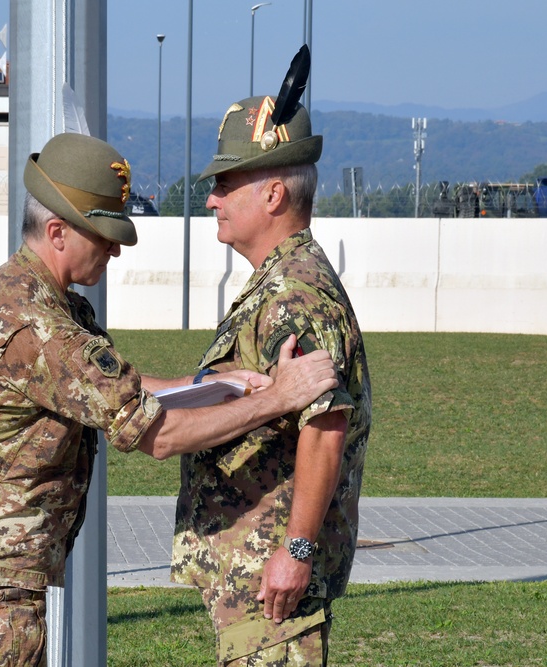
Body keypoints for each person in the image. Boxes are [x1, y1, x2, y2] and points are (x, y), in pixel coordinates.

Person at [0, 132, 340, 667]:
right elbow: (158, 435)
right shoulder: (32, 324)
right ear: (57, 232)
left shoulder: (51, 303)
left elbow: (119, 390)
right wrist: (278, 398)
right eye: (103, 235)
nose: (116, 248)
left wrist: (225, 384)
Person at [170, 85, 373, 665]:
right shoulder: (276, 286)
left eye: (224, 185)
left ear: (274, 194)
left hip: (271, 579)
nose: (212, 200)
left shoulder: (294, 297)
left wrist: (296, 550)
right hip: (253, 572)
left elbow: (325, 426)